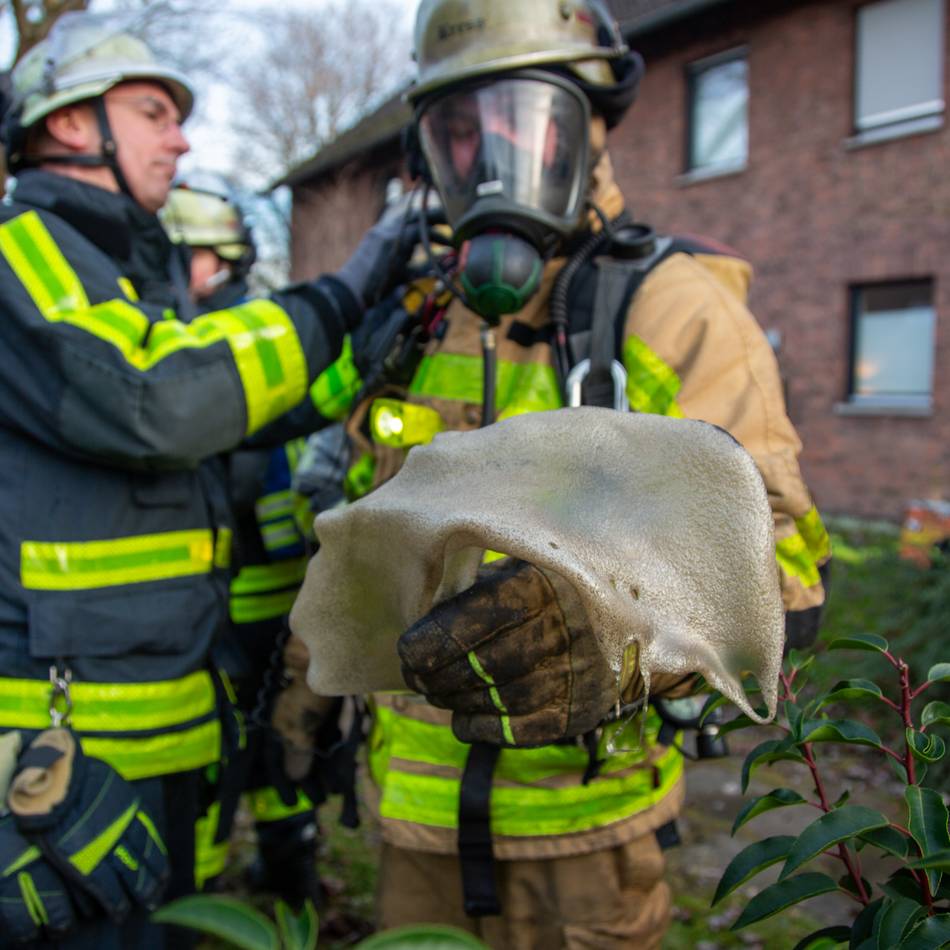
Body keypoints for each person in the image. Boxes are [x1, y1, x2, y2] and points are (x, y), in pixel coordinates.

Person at [277, 0, 832, 947]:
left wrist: (609, 632)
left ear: (590, 129)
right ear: (425, 156)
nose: (490, 162)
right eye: (458, 133)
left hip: (586, 844)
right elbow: (350, 535)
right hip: (411, 827)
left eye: (520, 122)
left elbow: (783, 580)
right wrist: (302, 702)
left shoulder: (675, 312)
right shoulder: (411, 320)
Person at [0, 12, 409, 948]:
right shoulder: (19, 248)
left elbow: (225, 415)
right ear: (69, 124)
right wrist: (339, 294)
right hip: (57, 764)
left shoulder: (109, 274)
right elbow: (157, 396)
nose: (181, 138)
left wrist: (364, 352)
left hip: (161, 743)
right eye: (153, 110)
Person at [160, 182, 324, 906]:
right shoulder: (250, 337)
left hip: (239, 603)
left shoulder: (210, 346)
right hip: (263, 600)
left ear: (218, 262)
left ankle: (209, 900)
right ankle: (288, 890)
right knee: (274, 752)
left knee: (239, 758)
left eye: (181, 256)